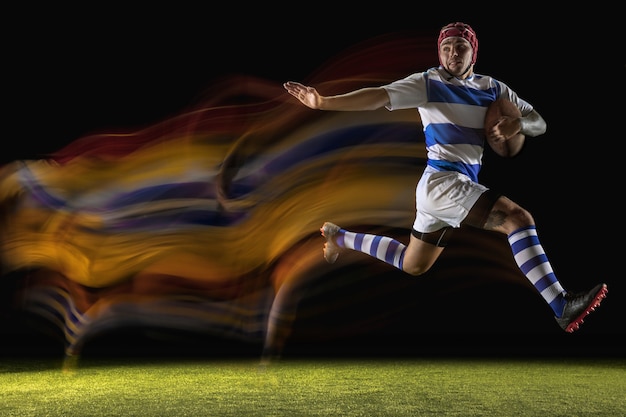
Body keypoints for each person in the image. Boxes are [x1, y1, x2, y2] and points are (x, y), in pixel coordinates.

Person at [283, 22, 607, 333]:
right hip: (443, 182)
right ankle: (560, 304)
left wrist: (519, 125)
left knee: (414, 264)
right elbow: (379, 96)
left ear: (473, 53)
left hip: (439, 189)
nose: (453, 52)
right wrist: (324, 102)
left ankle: (339, 237)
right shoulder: (428, 83)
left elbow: (539, 122)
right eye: (447, 47)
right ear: (440, 54)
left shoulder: (494, 89)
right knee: (517, 219)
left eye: (461, 46)